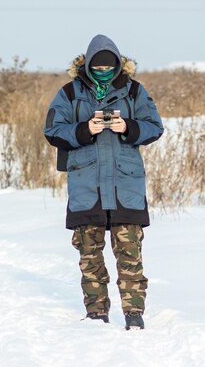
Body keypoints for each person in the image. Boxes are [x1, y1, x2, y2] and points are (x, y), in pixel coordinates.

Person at [43, 34, 164, 330]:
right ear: (88, 67)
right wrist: (84, 130)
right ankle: (97, 314)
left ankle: (134, 314)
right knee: (90, 257)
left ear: (118, 65)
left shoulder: (135, 92)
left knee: (130, 257)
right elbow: (52, 130)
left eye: (108, 68)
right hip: (87, 187)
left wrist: (128, 127)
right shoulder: (70, 93)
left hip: (126, 187)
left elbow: (155, 127)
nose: (103, 72)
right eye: (97, 69)